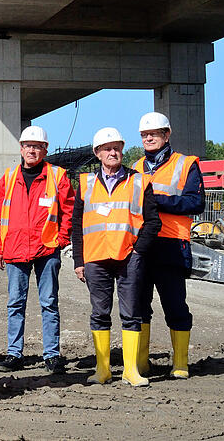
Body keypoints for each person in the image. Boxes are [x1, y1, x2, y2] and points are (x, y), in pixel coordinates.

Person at [71, 127, 161, 388]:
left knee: (132, 314)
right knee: (99, 314)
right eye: (107, 149)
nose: (113, 152)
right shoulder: (86, 183)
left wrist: (139, 251)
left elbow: (152, 222)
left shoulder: (139, 181)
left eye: (117, 148)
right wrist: (79, 260)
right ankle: (103, 370)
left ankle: (131, 370)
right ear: (97, 153)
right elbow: (77, 224)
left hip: (128, 257)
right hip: (96, 258)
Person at [0, 126, 74, 375]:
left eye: (37, 146)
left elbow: (68, 210)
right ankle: (14, 354)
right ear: (21, 148)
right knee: (15, 303)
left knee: (49, 302)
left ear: (45, 149)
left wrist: (61, 239)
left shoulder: (57, 176)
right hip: (14, 249)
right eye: (28, 145)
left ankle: (52, 355)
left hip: (46, 249)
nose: (32, 150)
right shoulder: (9, 177)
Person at [131, 112, 204, 379]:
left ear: (167, 135)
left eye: (154, 133)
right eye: (144, 134)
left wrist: (157, 200)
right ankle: (141, 362)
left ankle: (181, 363)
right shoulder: (136, 167)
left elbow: (195, 203)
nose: (149, 137)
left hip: (172, 243)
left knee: (175, 305)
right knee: (138, 305)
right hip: (142, 245)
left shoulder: (186, 164)